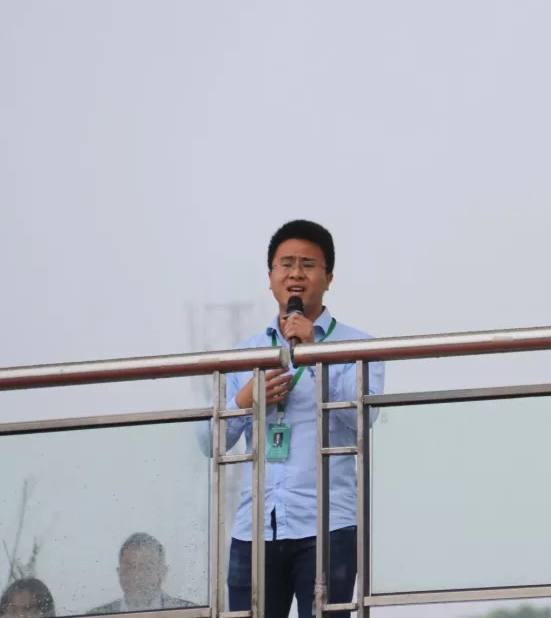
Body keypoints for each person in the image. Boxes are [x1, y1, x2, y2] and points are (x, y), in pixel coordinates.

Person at [208, 219, 386, 618]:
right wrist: (245, 400)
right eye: (286, 264)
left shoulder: (360, 346)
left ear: (329, 278)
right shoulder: (244, 352)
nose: (296, 274)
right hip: (254, 526)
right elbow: (209, 442)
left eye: (308, 264)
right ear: (271, 276)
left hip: (328, 525)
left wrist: (315, 354)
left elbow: (362, 420)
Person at [89, 533, 195, 613]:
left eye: (147, 567)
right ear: (119, 572)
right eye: (129, 567)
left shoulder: (191, 612)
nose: (137, 575)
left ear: (162, 572)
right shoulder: (97, 615)